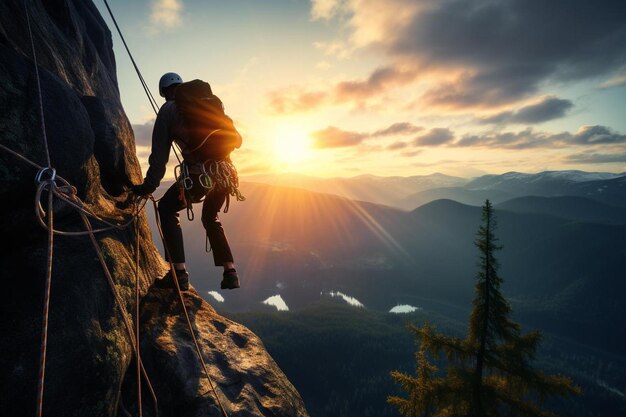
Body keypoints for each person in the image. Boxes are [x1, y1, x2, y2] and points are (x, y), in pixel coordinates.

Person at [132, 72, 241, 291]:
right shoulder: (207, 104)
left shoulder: (168, 110)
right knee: (211, 217)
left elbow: (159, 156)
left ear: (164, 93)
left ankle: (178, 274)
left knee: (166, 208)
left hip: (199, 176)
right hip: (225, 174)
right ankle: (230, 272)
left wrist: (149, 186)